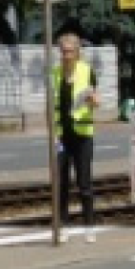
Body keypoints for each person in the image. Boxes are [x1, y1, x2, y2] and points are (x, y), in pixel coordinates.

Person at [52, 31, 98, 225]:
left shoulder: (87, 71)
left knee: (84, 183)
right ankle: (62, 223)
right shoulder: (54, 73)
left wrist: (94, 101)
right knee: (61, 182)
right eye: (63, 51)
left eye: (70, 51)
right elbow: (51, 104)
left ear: (77, 52)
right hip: (61, 136)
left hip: (82, 135)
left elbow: (96, 99)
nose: (66, 55)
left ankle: (89, 223)